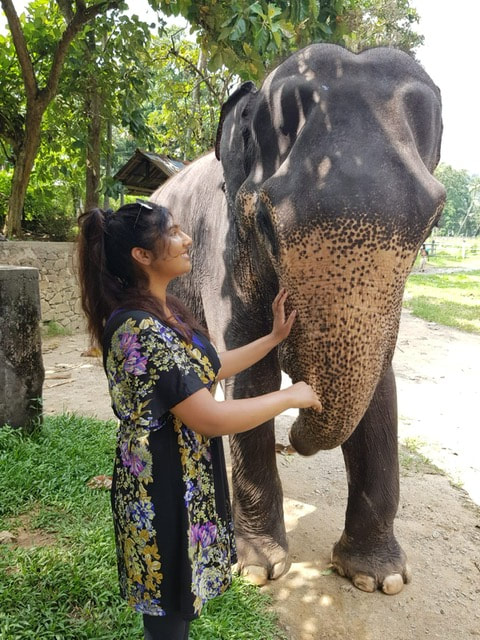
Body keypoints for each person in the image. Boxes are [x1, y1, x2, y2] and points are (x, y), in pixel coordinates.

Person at [76, 201, 321, 640]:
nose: (186, 239)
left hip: (186, 481)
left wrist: (273, 338)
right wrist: (289, 396)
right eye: (172, 232)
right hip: (160, 490)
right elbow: (207, 417)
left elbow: (206, 369)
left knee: (181, 602)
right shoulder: (136, 328)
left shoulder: (163, 311)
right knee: (167, 614)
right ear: (142, 255)